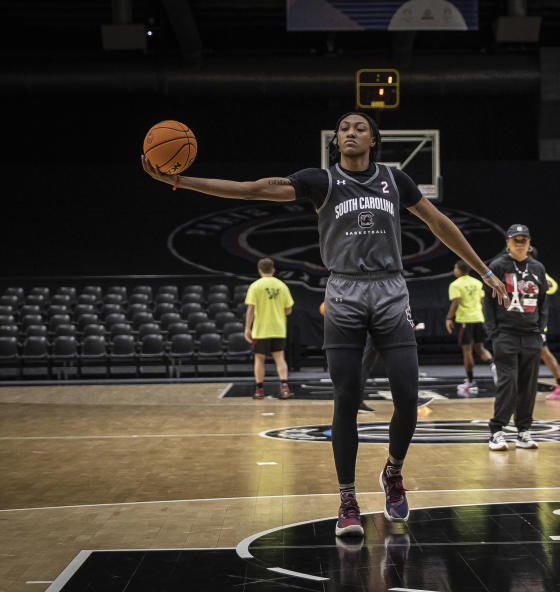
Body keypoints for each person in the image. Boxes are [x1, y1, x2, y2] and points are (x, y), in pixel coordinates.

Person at [143, 111, 507, 538]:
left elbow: (439, 223)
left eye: (359, 128)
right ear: (336, 141)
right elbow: (252, 190)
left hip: (390, 291)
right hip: (344, 294)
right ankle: (347, 499)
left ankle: (393, 472)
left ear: (373, 139)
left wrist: (484, 271)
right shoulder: (320, 182)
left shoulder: (395, 180)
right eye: (344, 129)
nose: (350, 132)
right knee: (346, 399)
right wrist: (181, 181)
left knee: (407, 395)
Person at [483, 224, 548, 451]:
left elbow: (543, 302)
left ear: (529, 243)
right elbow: (488, 303)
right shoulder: (498, 266)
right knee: (508, 383)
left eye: (524, 239)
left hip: (531, 336)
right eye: (515, 239)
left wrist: (541, 331)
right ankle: (497, 431)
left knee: (529, 386)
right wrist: (493, 333)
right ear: (508, 242)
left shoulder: (538, 268)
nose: (520, 243)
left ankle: (523, 431)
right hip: (506, 335)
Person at [243, 258, 294, 400]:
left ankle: (259, 390)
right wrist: (278, 312)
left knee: (259, 359)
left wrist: (247, 328)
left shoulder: (255, 286)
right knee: (280, 358)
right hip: (278, 328)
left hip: (261, 330)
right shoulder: (282, 286)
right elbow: (289, 310)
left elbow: (250, 309)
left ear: (259, 270)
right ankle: (284, 386)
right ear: (273, 270)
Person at [527, 246, 560, 399]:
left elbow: (552, 285)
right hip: (520, 321)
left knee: (541, 353)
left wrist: (543, 284)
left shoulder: (538, 272)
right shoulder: (517, 272)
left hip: (534, 323)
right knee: (540, 354)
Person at [445, 259, 493, 396]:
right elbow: (483, 301)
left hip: (465, 320)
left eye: (455, 268)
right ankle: (494, 366)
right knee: (480, 348)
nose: (454, 270)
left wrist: (449, 318)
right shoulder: (477, 283)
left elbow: (456, 302)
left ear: (459, 270)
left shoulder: (455, 284)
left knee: (467, 350)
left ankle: (470, 381)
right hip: (478, 318)